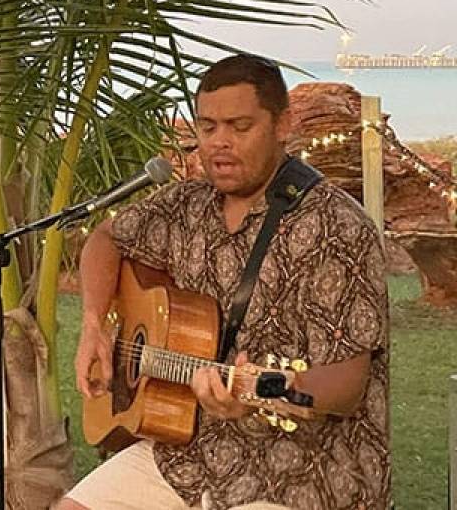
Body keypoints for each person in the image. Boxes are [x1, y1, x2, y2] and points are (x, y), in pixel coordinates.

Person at [56, 54, 390, 510]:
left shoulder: (337, 227)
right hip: (189, 451)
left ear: (283, 124)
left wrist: (261, 392)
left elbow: (348, 384)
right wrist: (94, 323)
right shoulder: (188, 204)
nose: (219, 143)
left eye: (239, 126)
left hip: (304, 473)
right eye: (208, 127)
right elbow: (106, 239)